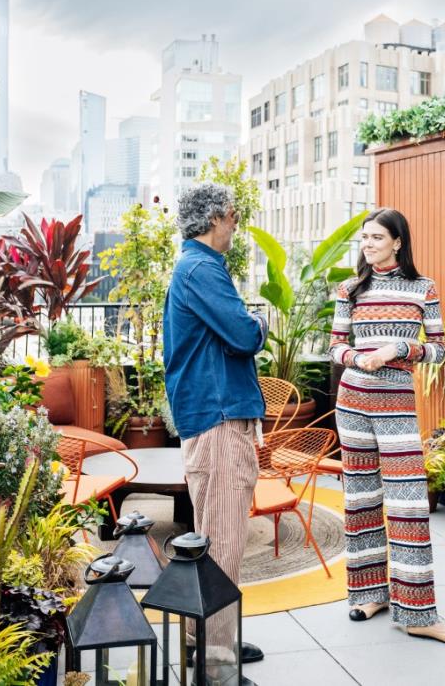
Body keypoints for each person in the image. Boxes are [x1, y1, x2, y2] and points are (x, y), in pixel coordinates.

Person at [329, 208, 445, 646]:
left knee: (409, 503)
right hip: (352, 400)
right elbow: (335, 347)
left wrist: (397, 347)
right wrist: (359, 358)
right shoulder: (350, 289)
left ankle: (418, 613)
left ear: (397, 242)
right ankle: (370, 593)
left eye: (376, 237)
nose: (368, 244)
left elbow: (440, 350)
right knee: (360, 499)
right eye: (365, 238)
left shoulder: (421, 288)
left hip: (395, 401)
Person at [164, 182, 268, 686]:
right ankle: (216, 662)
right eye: (232, 218)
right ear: (218, 218)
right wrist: (259, 325)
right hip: (220, 419)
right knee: (224, 542)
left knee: (208, 540)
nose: (234, 226)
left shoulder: (189, 267)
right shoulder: (203, 268)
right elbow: (245, 334)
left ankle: (203, 639)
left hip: (206, 416)